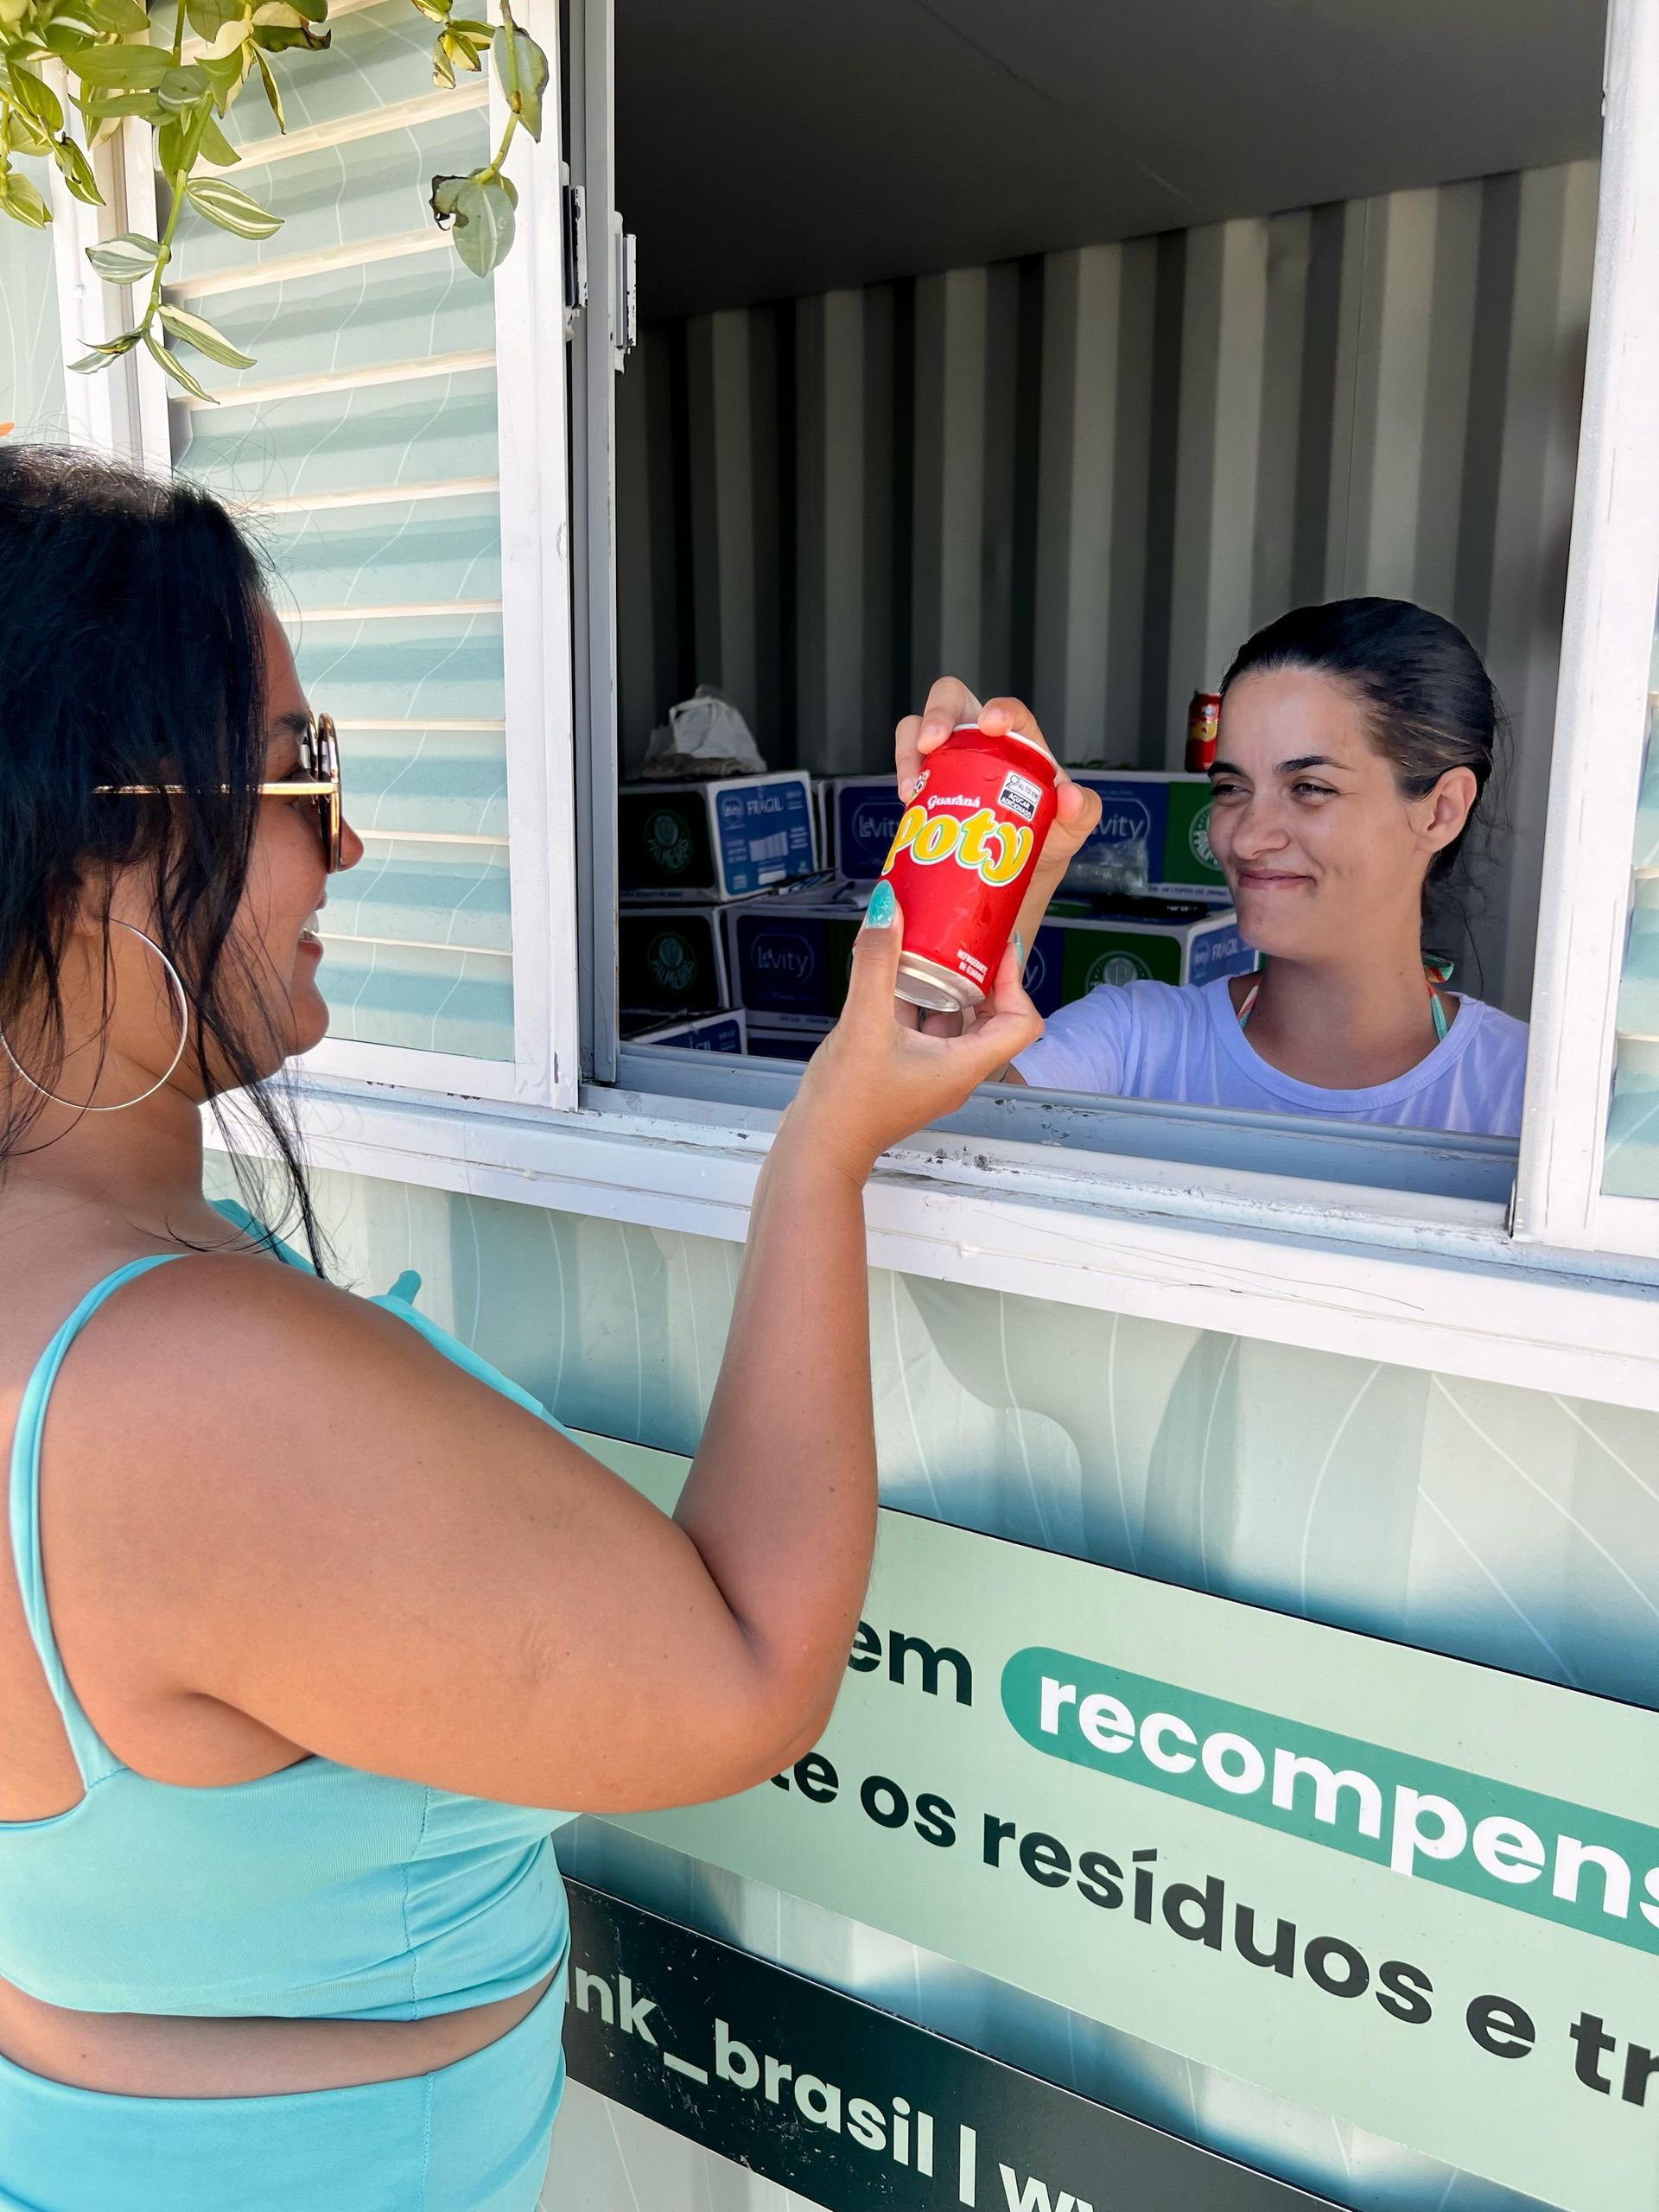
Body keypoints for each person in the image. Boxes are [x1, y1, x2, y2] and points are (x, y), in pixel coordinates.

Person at [0, 445, 1040, 2211]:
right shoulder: (175, 1379)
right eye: (300, 765)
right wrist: (827, 1145)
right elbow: (743, 1670)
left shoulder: (120, 1284)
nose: (348, 838)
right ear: (113, 820)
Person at [896, 599, 1528, 1137]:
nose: (1248, 837)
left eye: (1309, 787)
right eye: (1231, 788)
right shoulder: (1135, 1041)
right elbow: (933, 1125)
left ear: (1441, 811)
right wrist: (1006, 830)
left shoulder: (1527, 1097)